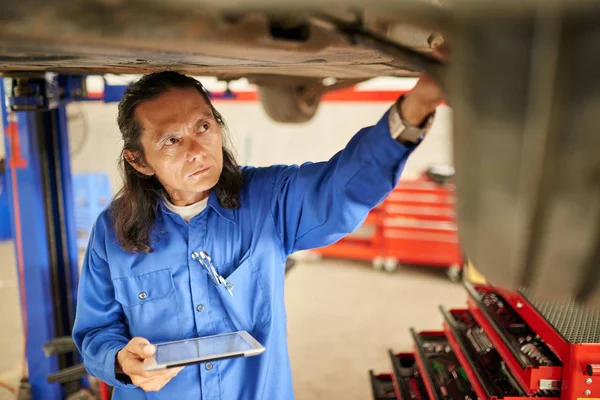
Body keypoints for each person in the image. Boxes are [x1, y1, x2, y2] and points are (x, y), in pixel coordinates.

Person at [72, 71, 442, 399]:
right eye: (171, 141)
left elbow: (342, 187)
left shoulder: (268, 200)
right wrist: (121, 361)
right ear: (139, 160)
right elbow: (96, 331)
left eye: (203, 128)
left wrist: (416, 106)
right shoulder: (113, 230)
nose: (197, 152)